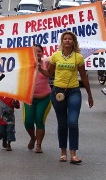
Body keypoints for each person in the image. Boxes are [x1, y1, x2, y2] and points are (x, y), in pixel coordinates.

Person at [38, 31, 93, 164]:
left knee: (72, 122)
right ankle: (63, 152)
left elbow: (84, 78)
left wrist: (90, 95)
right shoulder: (56, 56)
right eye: (65, 39)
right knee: (62, 123)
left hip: (73, 91)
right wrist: (39, 68)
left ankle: (73, 154)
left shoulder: (78, 57)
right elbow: (49, 73)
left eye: (70, 39)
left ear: (73, 42)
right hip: (57, 92)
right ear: (62, 42)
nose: (67, 41)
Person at [24, 44, 52, 153]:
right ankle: (33, 137)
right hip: (29, 99)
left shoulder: (47, 63)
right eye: (34, 52)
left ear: (43, 52)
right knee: (28, 122)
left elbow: (50, 73)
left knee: (40, 121)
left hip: (44, 98)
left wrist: (40, 68)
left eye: (39, 51)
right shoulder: (25, 64)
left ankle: (39, 144)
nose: (37, 53)